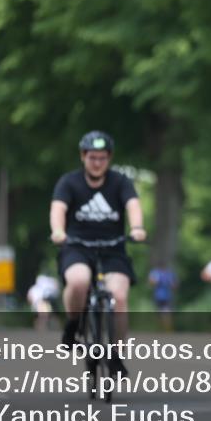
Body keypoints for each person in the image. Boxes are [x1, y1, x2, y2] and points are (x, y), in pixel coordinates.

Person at [50, 130, 146, 375]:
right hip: (77, 247)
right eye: (92, 157)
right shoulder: (69, 182)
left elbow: (132, 204)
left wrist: (136, 228)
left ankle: (115, 354)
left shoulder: (120, 182)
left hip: (113, 248)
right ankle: (73, 324)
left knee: (119, 296)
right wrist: (58, 231)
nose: (97, 162)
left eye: (102, 158)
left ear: (109, 158)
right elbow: (58, 209)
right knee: (79, 281)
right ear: (83, 157)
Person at [148, 264, 178, 330]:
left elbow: (174, 285)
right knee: (159, 313)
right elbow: (151, 282)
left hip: (167, 296)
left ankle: (167, 329)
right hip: (158, 296)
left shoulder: (169, 273)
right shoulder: (155, 273)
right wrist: (157, 280)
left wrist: (169, 282)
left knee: (167, 312)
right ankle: (161, 328)